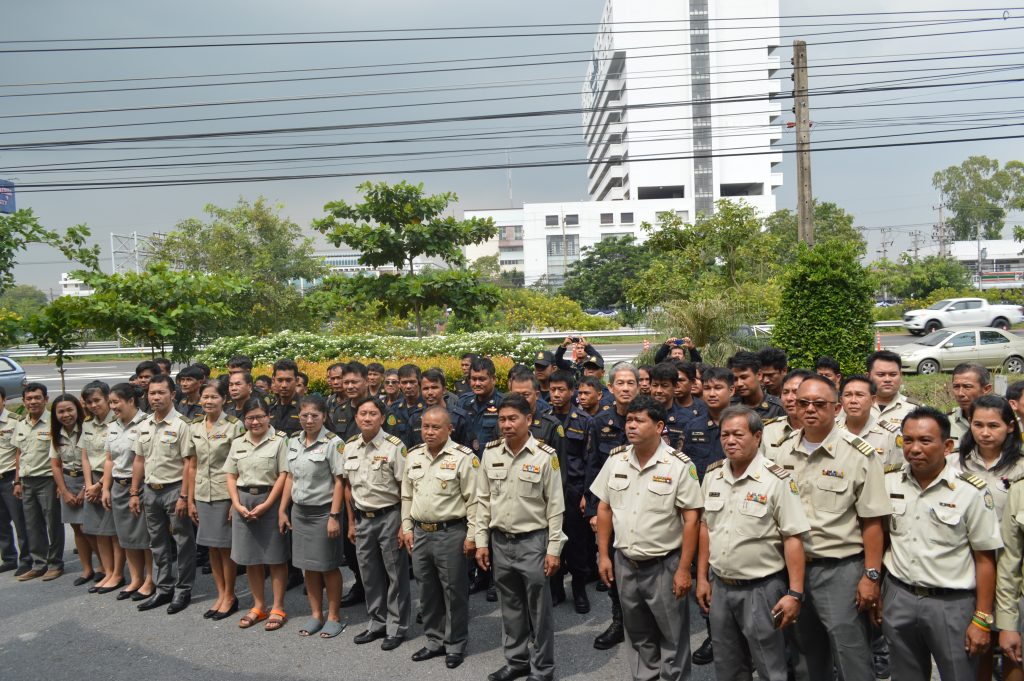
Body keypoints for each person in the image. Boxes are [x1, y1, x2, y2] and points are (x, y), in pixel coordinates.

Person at [773, 374, 889, 681]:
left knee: (851, 655)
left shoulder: (859, 454)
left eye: (819, 404)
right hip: (794, 570)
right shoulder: (782, 452)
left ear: (836, 409)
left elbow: (873, 520)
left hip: (840, 571)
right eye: (803, 403)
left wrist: (872, 576)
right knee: (805, 655)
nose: (810, 409)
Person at [591, 395, 704, 681]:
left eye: (639, 421)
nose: (631, 425)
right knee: (638, 634)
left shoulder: (679, 465)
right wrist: (603, 555)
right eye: (629, 420)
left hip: (664, 565)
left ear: (659, 426)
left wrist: (684, 569)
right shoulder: (616, 459)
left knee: (672, 637)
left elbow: (692, 519)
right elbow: (604, 508)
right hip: (625, 563)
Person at [884, 407, 1000, 681]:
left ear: (947, 446)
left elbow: (985, 558)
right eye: (908, 440)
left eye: (925, 441)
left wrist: (982, 618)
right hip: (900, 597)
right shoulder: (889, 481)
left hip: (951, 605)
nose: (915, 448)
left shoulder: (970, 491)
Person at [696, 406, 810, 681]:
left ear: (757, 437)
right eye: (725, 435)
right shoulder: (713, 475)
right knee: (728, 664)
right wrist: (701, 578)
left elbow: (793, 537)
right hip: (720, 586)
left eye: (738, 434)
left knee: (771, 665)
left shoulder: (777, 480)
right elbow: (705, 528)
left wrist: (795, 593)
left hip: (761, 589)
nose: (730, 441)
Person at [476, 394, 565, 681]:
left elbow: (555, 507)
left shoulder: (545, 456)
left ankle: (543, 668)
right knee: (510, 607)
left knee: (539, 611)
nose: (506, 425)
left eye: (513, 419)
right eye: (502, 419)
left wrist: (553, 550)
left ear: (528, 419)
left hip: (533, 542)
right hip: (501, 542)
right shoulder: (490, 453)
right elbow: (482, 501)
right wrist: (481, 541)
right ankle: (516, 662)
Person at [402, 405, 479, 668]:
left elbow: (474, 500)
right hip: (421, 533)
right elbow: (407, 495)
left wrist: (472, 536)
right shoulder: (413, 455)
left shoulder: (464, 457)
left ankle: (455, 643)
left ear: (449, 429)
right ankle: (434, 640)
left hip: (451, 533)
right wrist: (406, 527)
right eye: (425, 426)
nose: (429, 432)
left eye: (436, 427)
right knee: (427, 590)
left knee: (453, 591)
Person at [343, 396, 411, 651]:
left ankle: (396, 627)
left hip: (389, 516)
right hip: (363, 518)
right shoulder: (350, 446)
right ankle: (377, 622)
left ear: (382, 418)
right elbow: (348, 487)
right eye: (362, 413)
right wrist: (351, 522)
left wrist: (404, 524)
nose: (367, 418)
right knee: (369, 574)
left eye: (373, 414)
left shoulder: (394, 447)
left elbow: (406, 488)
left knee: (395, 574)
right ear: (356, 417)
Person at [278, 395, 347, 639]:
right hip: (300, 512)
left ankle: (334, 616)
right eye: (304, 415)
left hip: (323, 512)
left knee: (328, 566)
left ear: (324, 416)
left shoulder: (333, 443)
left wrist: (334, 516)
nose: (309, 420)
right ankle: (316, 614)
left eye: (314, 416)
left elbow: (340, 481)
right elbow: (290, 477)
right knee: (308, 567)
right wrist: (282, 510)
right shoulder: (293, 441)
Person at [130, 375, 197, 614]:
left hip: (175, 489)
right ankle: (163, 587)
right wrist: (134, 492)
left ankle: (183, 589)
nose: (156, 397)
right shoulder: (144, 424)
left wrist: (184, 496)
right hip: (150, 490)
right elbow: (139, 460)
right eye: (152, 393)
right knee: (157, 541)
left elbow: (189, 463)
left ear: (173, 395)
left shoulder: (182, 425)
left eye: (161, 392)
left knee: (183, 541)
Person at [584, 363, 639, 650]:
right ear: (610, 387)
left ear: (638, 387)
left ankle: (644, 622)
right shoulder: (599, 422)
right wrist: (593, 510)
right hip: (611, 506)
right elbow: (593, 466)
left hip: (644, 505)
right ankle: (619, 620)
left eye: (631, 383)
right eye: (620, 383)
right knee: (614, 565)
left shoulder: (649, 417)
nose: (626, 388)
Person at [225, 397, 290, 631]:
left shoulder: (280, 440)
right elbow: (230, 475)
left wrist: (268, 504)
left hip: (270, 500)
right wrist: (236, 503)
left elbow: (284, 474)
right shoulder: (238, 442)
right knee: (250, 558)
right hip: (244, 502)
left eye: (260, 417)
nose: (255, 422)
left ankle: (278, 607)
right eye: (250, 418)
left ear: (268, 416)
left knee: (275, 557)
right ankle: (259, 606)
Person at [187, 380, 244, 621]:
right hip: (202, 494)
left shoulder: (234, 426)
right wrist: (189, 499)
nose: (208, 401)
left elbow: (240, 465)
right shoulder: (195, 426)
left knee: (225, 547)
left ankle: (230, 595)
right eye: (205, 397)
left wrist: (235, 501)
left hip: (224, 494)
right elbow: (192, 465)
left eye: (214, 397)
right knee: (211, 546)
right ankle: (220, 594)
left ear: (224, 400)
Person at [547, 369, 594, 614]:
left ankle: (579, 590)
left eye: (561, 389)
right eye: (552, 389)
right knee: (552, 540)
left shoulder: (584, 421)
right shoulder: (543, 420)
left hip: (575, 490)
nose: (556, 394)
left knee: (577, 544)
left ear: (571, 391)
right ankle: (556, 589)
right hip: (550, 490)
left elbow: (590, 460)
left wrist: (587, 494)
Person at [102, 383, 154, 601]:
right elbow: (109, 460)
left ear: (131, 400)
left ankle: (150, 579)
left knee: (145, 536)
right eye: (110, 402)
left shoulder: (146, 423)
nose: (113, 407)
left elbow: (144, 459)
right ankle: (135, 578)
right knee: (126, 536)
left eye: (116, 402)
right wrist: (105, 488)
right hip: (118, 486)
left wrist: (134, 491)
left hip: (139, 486)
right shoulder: (113, 426)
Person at [13, 382, 64, 582]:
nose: (33, 402)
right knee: (32, 525)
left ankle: (55, 563)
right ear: (23, 401)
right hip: (27, 481)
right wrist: (17, 481)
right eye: (29, 398)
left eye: (37, 398)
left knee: (53, 523)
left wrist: (61, 484)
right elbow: (19, 453)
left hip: (48, 480)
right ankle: (39, 564)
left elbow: (61, 454)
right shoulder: (21, 423)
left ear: (45, 399)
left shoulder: (53, 421)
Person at [80, 381, 122, 593]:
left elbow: (116, 458)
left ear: (107, 398)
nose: (93, 405)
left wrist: (99, 485)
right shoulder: (87, 424)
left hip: (110, 479)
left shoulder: (117, 422)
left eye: (97, 400)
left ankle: (118, 574)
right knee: (98, 531)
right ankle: (107, 571)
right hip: (93, 481)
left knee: (113, 532)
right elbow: (85, 457)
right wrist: (88, 485)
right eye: (89, 402)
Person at [50, 394, 90, 584]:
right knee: (77, 529)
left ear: (77, 410)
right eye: (61, 411)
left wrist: (84, 489)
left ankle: (103, 568)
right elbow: (55, 465)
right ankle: (87, 569)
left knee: (90, 528)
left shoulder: (87, 429)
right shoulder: (56, 434)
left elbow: (92, 461)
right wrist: (64, 491)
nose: (66, 415)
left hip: (87, 480)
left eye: (69, 410)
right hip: (67, 482)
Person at [837, 375, 902, 465]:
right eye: (848, 395)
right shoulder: (829, 429)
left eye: (860, 395)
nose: (853, 401)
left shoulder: (890, 435)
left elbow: (897, 470)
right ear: (841, 400)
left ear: (873, 400)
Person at [683, 367, 735, 482]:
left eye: (718, 388)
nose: (711, 394)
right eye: (707, 388)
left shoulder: (743, 425)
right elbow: (683, 465)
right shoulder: (692, 427)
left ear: (731, 391)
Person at [0, 386, 31, 576]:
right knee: (1, 522)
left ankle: (27, 558)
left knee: (20, 520)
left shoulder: (15, 421)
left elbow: (21, 451)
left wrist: (18, 480)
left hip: (10, 477)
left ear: (3, 400)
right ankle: (9, 558)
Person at [459, 356, 504, 456]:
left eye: (481, 379)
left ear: (493, 379)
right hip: (467, 459)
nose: (477, 383)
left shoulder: (503, 403)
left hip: (492, 459)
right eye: (473, 379)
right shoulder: (463, 402)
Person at [762, 370, 812, 457]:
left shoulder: (827, 430)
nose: (789, 398)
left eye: (796, 392)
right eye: (785, 392)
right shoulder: (768, 431)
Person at [867, 350, 920, 428]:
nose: (887, 379)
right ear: (868, 377)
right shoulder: (855, 406)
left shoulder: (915, 410)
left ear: (900, 375)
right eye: (881, 375)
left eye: (893, 374)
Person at [420, 368, 472, 448]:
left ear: (444, 390)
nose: (430, 392)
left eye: (434, 387)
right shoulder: (415, 417)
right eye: (425, 389)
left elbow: (468, 449)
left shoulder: (460, 417)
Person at [727, 351, 784, 420]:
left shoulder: (777, 408)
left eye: (744, 377)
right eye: (735, 379)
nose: (739, 384)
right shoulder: (728, 406)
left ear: (759, 375)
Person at [948, 363, 993, 447]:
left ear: (986, 389)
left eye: (967, 387)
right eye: (956, 386)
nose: (960, 393)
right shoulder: (946, 421)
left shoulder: (1001, 421)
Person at [387, 364, 426, 448]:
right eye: (404, 382)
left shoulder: (429, 407)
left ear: (419, 382)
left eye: (412, 382)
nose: (408, 386)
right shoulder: (394, 408)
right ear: (399, 384)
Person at [268, 358, 302, 437]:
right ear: (273, 380)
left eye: (288, 380)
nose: (284, 385)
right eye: (280, 380)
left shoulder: (306, 408)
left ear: (297, 381)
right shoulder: (269, 409)